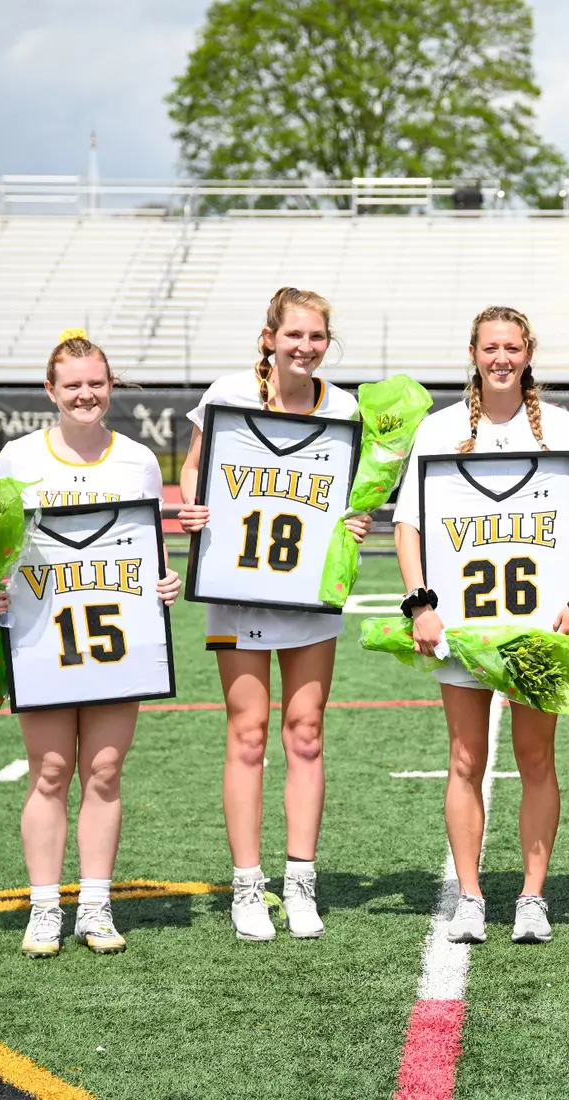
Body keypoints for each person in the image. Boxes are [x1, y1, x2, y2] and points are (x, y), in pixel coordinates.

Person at [393, 305, 569, 945]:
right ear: (474, 353)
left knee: (537, 759)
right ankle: (473, 896)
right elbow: (408, 525)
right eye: (491, 348)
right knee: (465, 758)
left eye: (512, 347)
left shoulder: (561, 427)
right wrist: (420, 604)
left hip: (537, 625)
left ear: (528, 352)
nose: (501, 358)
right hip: (464, 625)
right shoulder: (440, 429)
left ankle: (533, 897)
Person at [175, 288, 371, 943]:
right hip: (236, 586)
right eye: (295, 336)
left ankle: (300, 882)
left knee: (307, 731)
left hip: (308, 589)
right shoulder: (229, 394)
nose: (306, 347)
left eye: (317, 337)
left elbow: (349, 493)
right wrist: (191, 505)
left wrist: (356, 519)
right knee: (249, 731)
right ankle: (247, 885)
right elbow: (194, 468)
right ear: (269, 337)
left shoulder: (342, 407)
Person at [0, 329, 182, 957]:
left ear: (110, 386)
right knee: (49, 770)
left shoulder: (138, 459)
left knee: (104, 769)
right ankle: (44, 908)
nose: (86, 394)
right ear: (51, 390)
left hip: (118, 638)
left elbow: (149, 540)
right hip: (44, 638)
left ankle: (95, 904)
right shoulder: (18, 458)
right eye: (73, 385)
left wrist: (166, 579)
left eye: (97, 383)